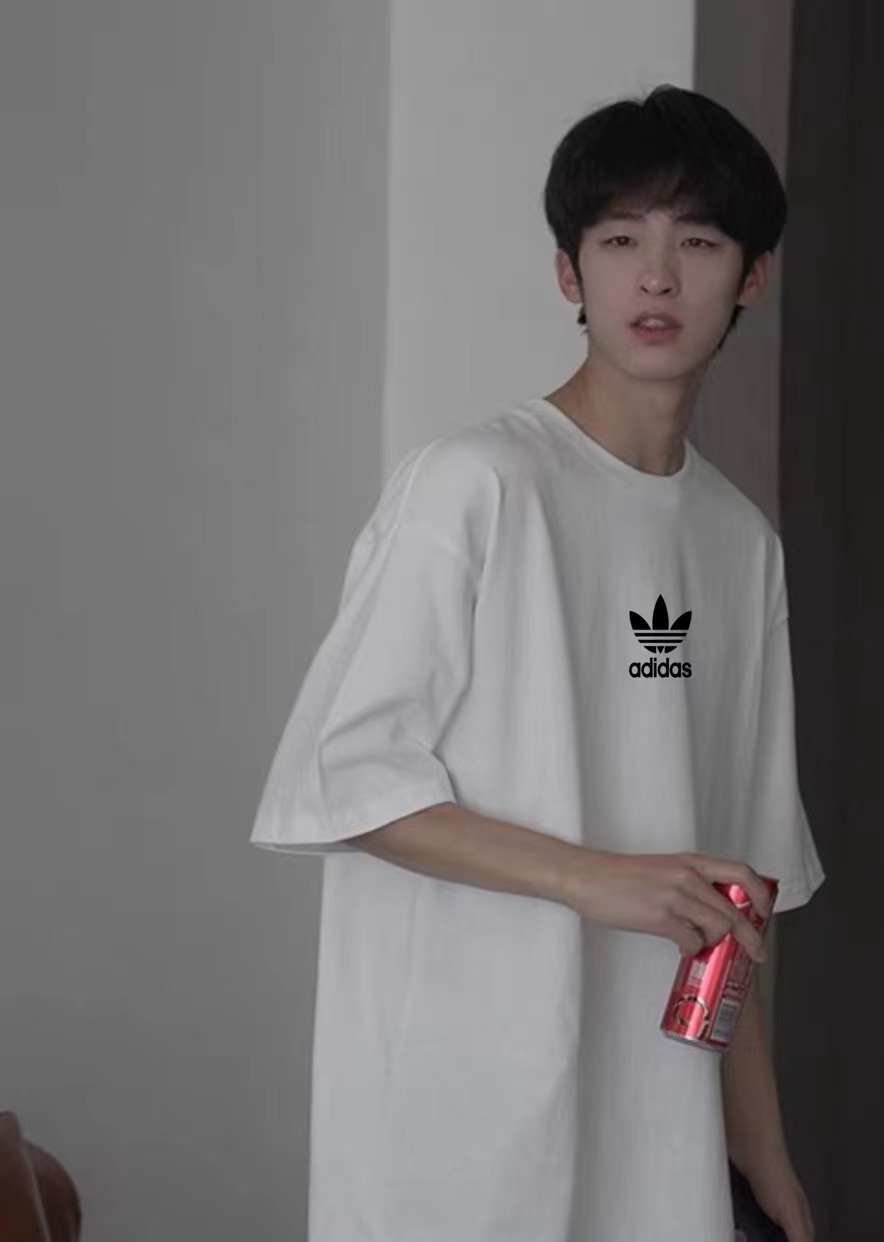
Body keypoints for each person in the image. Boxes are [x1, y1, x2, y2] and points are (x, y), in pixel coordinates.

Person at [250, 83, 823, 1242]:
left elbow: (735, 896)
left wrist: (759, 1145)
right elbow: (345, 778)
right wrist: (590, 878)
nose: (654, 278)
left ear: (752, 276)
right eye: (618, 241)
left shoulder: (740, 545)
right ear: (570, 274)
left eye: (696, 243)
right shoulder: (474, 485)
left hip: (656, 1124)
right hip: (455, 1110)